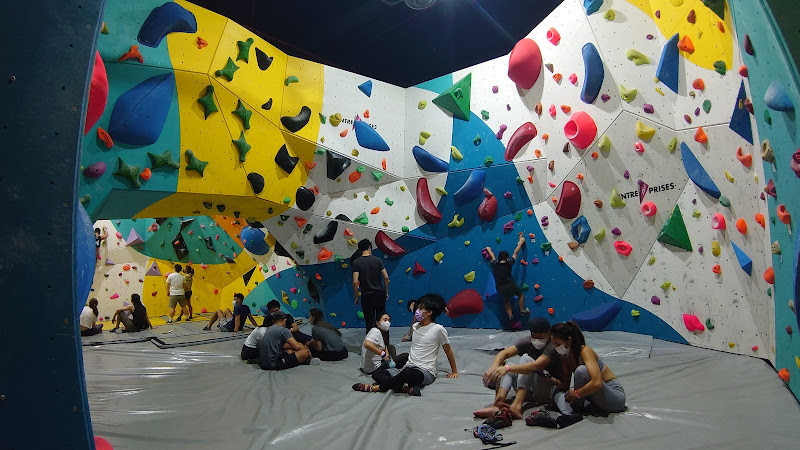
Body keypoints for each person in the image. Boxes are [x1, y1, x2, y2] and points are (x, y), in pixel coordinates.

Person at [352, 293, 457, 396]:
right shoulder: (415, 326)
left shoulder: (438, 329)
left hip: (425, 372)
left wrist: (454, 371)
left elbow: (448, 350)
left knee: (408, 373)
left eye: (421, 308)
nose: (417, 310)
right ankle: (405, 388)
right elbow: (415, 319)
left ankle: (376, 388)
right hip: (408, 367)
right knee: (377, 374)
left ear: (429, 312)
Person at [527, 321, 626, 429]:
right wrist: (552, 380)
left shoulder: (585, 351)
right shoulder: (566, 355)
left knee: (581, 371)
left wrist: (576, 394)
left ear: (568, 340)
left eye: (558, 344)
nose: (555, 348)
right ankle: (566, 414)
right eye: (554, 344)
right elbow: (565, 384)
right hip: (593, 397)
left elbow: (597, 383)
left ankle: (571, 412)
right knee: (559, 392)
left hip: (614, 397)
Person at [475, 317, 563, 422]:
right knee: (507, 366)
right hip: (530, 389)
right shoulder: (527, 341)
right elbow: (504, 353)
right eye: (534, 337)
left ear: (549, 334)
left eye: (540, 338)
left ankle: (517, 405)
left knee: (525, 360)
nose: (537, 341)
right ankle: (497, 404)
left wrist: (508, 368)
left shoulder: (552, 346)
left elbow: (536, 365)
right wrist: (495, 366)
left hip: (546, 389)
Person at [484, 232, 528, 331]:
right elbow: (515, 252)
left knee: (506, 300)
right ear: (507, 258)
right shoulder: (509, 263)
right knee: (520, 295)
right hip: (509, 284)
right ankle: (522, 310)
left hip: (500, 287)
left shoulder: (495, 264)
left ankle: (510, 316)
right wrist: (521, 241)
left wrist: (488, 249)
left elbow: (492, 256)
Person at [351, 239, 390, 333]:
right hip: (379, 293)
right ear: (369, 247)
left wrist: (356, 296)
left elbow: (355, 282)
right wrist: (386, 291)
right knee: (382, 320)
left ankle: (371, 340)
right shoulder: (378, 260)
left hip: (366, 295)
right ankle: (384, 340)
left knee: (369, 321)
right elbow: (386, 277)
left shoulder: (356, 263)